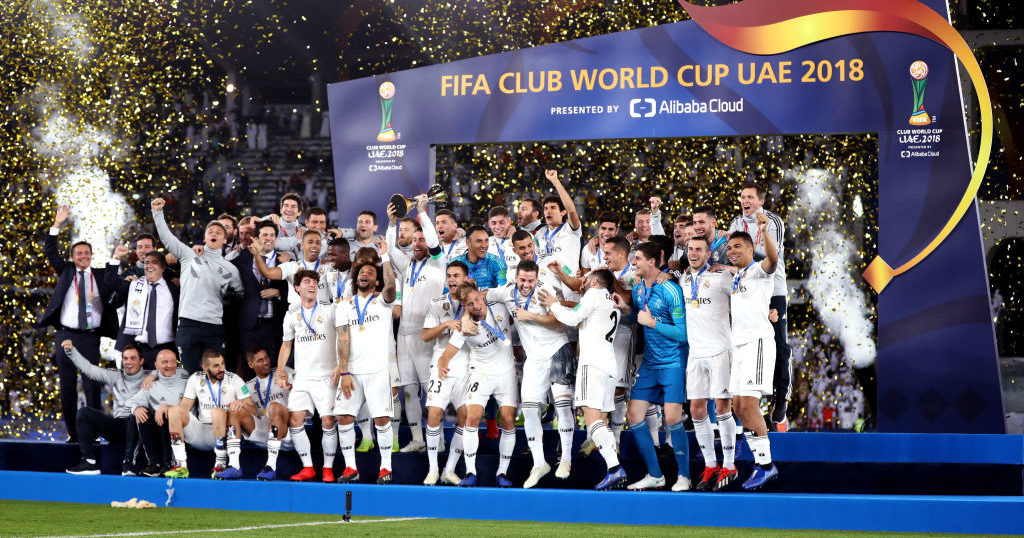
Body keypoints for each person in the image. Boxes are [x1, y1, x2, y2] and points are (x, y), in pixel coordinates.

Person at [540, 269, 627, 490]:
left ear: (595, 281)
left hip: (593, 363)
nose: (583, 282)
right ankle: (613, 468)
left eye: (586, 279)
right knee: (601, 420)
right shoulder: (612, 301)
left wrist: (553, 303)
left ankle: (615, 469)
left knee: (592, 417)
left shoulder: (594, 295)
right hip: (609, 364)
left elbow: (572, 319)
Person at [488, 260, 573, 486]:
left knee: (563, 405)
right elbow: (482, 296)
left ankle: (566, 458)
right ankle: (539, 463)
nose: (526, 285)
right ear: (516, 278)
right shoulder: (506, 292)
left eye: (530, 280)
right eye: (523, 280)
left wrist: (530, 316)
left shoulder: (546, 291)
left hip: (557, 350)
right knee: (529, 408)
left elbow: (559, 323)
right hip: (533, 359)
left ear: (537, 278)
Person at [40, 206, 119, 443]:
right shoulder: (65, 271)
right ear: (73, 257)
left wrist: (119, 262)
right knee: (67, 388)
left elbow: (116, 283)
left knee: (92, 386)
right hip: (65, 336)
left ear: (91, 255)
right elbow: (50, 251)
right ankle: (73, 434)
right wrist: (57, 224)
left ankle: (92, 433)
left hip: (90, 338)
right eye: (79, 253)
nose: (83, 256)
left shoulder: (101, 274)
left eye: (86, 253)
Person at [620, 243, 691, 492]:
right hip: (650, 363)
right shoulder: (639, 289)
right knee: (633, 416)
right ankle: (655, 475)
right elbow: (638, 316)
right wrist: (626, 309)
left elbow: (682, 334)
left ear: (652, 262)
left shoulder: (670, 290)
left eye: (637, 258)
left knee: (672, 418)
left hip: (673, 361)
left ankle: (684, 476)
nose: (633, 262)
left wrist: (652, 323)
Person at [435, 282, 518, 488]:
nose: (476, 305)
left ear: (482, 296)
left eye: (477, 300)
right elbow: (445, 356)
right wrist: (442, 366)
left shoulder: (498, 306)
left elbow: (514, 291)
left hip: (506, 373)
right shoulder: (464, 327)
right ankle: (470, 471)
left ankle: (502, 473)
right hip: (481, 373)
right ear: (465, 307)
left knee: (508, 419)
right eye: (470, 304)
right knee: (471, 417)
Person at [151, 197, 243, 373]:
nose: (214, 233)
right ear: (205, 236)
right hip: (188, 324)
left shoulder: (231, 269)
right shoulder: (189, 255)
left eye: (219, 232)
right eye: (211, 231)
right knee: (190, 376)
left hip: (214, 326)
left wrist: (229, 300)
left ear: (225, 240)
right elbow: (167, 238)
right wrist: (157, 213)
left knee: (216, 376)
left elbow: (240, 294)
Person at [723, 215, 780, 490]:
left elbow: (773, 259)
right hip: (739, 346)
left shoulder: (758, 269)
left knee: (748, 405)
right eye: (729, 247)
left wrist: (764, 230)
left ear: (749, 249)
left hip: (757, 343)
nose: (732, 251)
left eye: (737, 247)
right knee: (738, 407)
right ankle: (761, 464)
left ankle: (766, 465)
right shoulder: (738, 276)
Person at [727, 182, 789, 429]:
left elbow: (768, 257)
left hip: (773, 290)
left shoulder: (773, 221)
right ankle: (750, 408)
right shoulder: (735, 223)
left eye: (750, 197)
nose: (745, 200)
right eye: (742, 196)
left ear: (761, 201)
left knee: (780, 346)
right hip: (746, 288)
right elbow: (729, 253)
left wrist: (745, 253)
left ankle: (780, 397)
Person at [334, 252, 399, 484]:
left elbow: (391, 287)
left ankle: (385, 468)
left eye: (370, 273)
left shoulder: (383, 301)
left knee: (381, 419)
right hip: (352, 372)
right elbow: (343, 339)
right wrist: (344, 372)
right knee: (343, 417)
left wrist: (385, 257)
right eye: (361, 272)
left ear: (377, 281)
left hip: (378, 371)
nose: (364, 275)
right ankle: (351, 467)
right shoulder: (344, 306)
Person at [386, 195, 444, 453]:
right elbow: (390, 250)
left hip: (426, 335)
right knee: (409, 389)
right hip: (404, 336)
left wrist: (422, 213)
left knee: (429, 391)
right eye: (415, 240)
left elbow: (433, 240)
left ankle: (439, 441)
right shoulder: (408, 265)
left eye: (422, 240)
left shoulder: (437, 263)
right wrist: (391, 224)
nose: (418, 243)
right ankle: (418, 439)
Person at [680, 236, 738, 492]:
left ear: (708, 253)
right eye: (690, 249)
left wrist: (730, 268)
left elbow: (748, 281)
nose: (693, 253)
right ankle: (711, 464)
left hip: (720, 352)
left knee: (723, 407)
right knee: (696, 410)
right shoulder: (682, 279)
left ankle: (730, 464)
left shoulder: (721, 278)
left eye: (698, 249)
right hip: (696, 353)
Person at [276, 269, 342, 482]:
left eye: (314, 282)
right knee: (295, 420)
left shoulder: (331, 309)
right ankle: (308, 467)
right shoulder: (291, 314)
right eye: (306, 282)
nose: (312, 285)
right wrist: (280, 371)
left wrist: (341, 365)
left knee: (328, 421)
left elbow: (344, 338)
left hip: (326, 376)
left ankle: (328, 469)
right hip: (302, 377)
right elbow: (286, 345)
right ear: (297, 288)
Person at [61, 341, 148, 476]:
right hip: (118, 427)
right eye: (125, 358)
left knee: (136, 413)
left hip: (140, 429)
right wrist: (72, 352)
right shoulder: (116, 375)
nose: (128, 362)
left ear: (141, 360)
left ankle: (129, 463)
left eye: (133, 358)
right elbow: (90, 369)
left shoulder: (151, 377)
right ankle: (89, 462)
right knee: (84, 413)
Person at [165, 350, 254, 478]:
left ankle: (220, 464)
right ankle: (180, 465)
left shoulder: (234, 379)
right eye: (216, 366)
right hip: (201, 432)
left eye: (223, 364)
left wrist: (241, 403)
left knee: (217, 411)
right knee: (174, 410)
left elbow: (253, 410)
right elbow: (184, 408)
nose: (221, 368)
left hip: (225, 432)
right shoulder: (195, 378)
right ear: (205, 367)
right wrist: (167, 407)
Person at [421, 261, 471, 485]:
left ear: (465, 278)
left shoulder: (473, 302)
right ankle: (432, 469)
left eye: (456, 276)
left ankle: (449, 469)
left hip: (466, 366)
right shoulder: (437, 303)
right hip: (440, 366)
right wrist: (446, 324)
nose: (451, 280)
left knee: (466, 418)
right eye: (449, 276)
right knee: (433, 414)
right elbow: (425, 335)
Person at [221, 348, 294, 481]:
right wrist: (241, 404)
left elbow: (305, 389)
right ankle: (234, 465)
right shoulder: (248, 386)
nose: (266, 362)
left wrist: (292, 386)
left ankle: (271, 466)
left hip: (288, 432)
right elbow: (254, 413)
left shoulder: (284, 372)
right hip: (264, 432)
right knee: (234, 409)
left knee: (273, 406)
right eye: (260, 360)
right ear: (251, 365)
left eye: (266, 357)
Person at [105, 248, 178, 368]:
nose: (149, 265)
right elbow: (110, 281)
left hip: (164, 351)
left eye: (154, 262)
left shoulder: (174, 288)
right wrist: (116, 257)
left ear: (163, 268)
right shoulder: (133, 285)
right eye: (147, 262)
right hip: (134, 349)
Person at [233, 221, 289, 370]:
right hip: (249, 325)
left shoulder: (284, 261)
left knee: (273, 368)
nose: (268, 238)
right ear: (256, 238)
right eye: (264, 235)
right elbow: (223, 267)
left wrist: (278, 292)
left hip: (274, 325)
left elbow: (295, 288)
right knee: (250, 369)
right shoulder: (242, 258)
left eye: (272, 235)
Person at [126, 349, 189, 477]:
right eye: (164, 362)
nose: (169, 365)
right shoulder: (150, 383)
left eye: (172, 361)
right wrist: (136, 409)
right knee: (141, 413)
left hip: (184, 424)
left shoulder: (185, 375)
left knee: (169, 413)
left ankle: (169, 463)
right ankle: (153, 464)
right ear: (156, 365)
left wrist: (167, 407)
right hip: (158, 428)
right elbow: (131, 402)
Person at [254, 228, 327, 308]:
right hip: (297, 317)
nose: (314, 245)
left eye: (318, 243)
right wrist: (257, 254)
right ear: (302, 245)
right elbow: (267, 273)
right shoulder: (291, 267)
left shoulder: (328, 267)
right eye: (310, 242)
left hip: (322, 316)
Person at [536, 170, 582, 277]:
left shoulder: (570, 229)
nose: (548, 211)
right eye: (546, 208)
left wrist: (555, 181)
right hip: (545, 285)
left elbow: (571, 210)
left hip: (568, 286)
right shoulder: (540, 233)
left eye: (553, 208)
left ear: (563, 212)